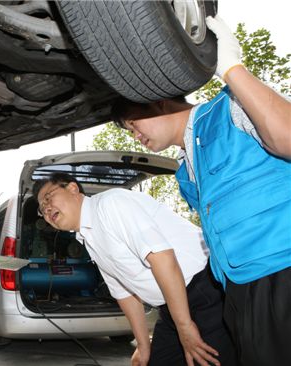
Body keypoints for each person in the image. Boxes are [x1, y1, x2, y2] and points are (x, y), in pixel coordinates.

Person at [110, 15, 291, 365]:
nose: (134, 135)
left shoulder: (229, 108)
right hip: (239, 290)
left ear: (158, 100)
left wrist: (233, 69)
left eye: (133, 124)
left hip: (282, 272)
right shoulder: (184, 173)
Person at [33, 173, 236, 366]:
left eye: (49, 197)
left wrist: (184, 326)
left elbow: (162, 259)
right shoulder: (87, 237)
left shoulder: (111, 204)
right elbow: (124, 293)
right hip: (172, 306)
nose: (46, 209)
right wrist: (143, 345)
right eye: (42, 208)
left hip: (205, 291)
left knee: (212, 360)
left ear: (72, 188)